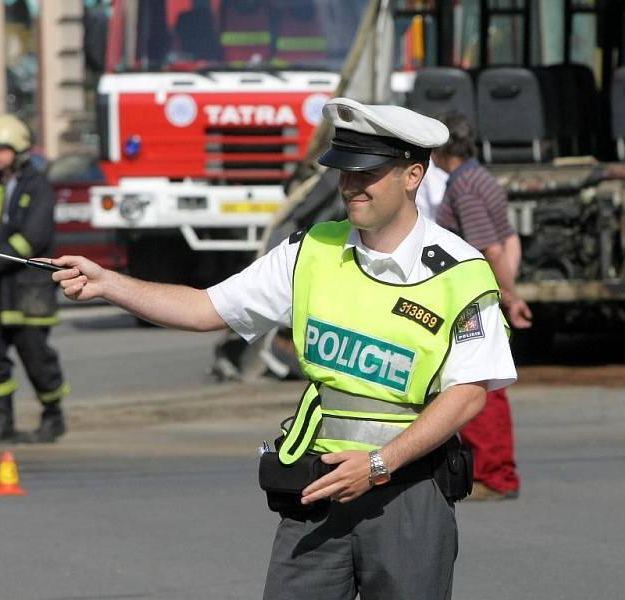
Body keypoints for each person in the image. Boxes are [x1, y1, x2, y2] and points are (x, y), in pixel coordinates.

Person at [50, 98, 516, 599]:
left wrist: (379, 464)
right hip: (317, 488)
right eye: (343, 172)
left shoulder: (458, 273)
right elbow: (206, 309)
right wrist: (110, 284)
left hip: (407, 493)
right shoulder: (309, 252)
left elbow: (468, 392)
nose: (350, 186)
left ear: (412, 175)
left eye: (368, 173)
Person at [432, 111, 530, 501]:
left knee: (477, 385)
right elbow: (508, 240)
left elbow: (488, 246)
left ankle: (494, 475)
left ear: (442, 151)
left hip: (472, 297)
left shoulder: (464, 188)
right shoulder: (480, 177)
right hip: (483, 292)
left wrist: (509, 296)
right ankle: (493, 472)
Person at [0, 114, 69, 445]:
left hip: (25, 289)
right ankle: (1, 422)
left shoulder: (38, 188)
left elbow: (33, 238)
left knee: (37, 357)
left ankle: (53, 417)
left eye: (3, 149)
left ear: (19, 151)